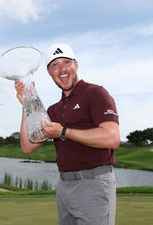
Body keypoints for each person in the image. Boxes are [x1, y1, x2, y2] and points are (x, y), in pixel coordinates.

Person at [14, 43, 120, 225]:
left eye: (66, 62)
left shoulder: (95, 93)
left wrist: (63, 132)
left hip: (94, 183)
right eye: (55, 65)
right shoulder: (54, 110)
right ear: (49, 72)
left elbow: (111, 138)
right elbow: (27, 146)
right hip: (64, 186)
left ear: (76, 65)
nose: (62, 69)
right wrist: (26, 104)